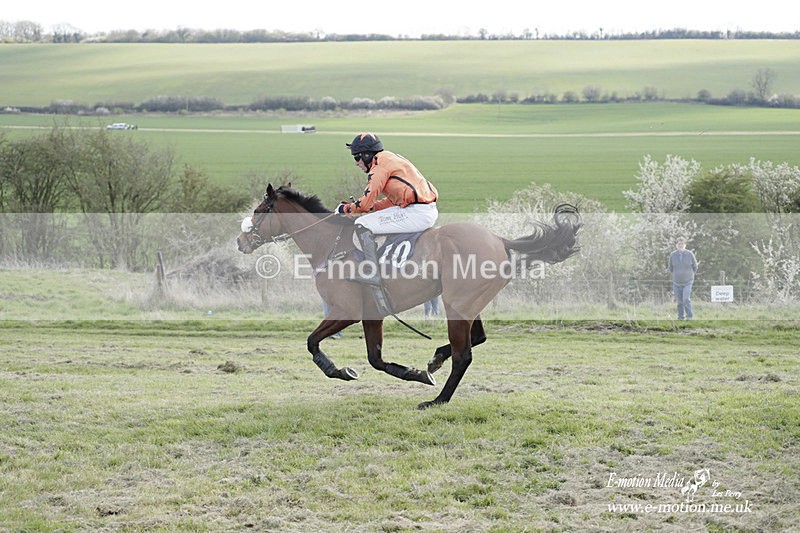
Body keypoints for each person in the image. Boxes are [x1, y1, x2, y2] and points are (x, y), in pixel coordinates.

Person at [336, 133, 439, 292]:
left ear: (366, 155)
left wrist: (345, 209)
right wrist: (372, 207)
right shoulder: (390, 158)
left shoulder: (379, 167)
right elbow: (394, 200)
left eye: (357, 158)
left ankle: (371, 272)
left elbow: (363, 204)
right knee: (369, 218)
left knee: (362, 223)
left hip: (417, 213)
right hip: (423, 209)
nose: (356, 164)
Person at [668, 237, 698, 320]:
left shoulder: (690, 254)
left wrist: (689, 275)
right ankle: (680, 317)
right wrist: (676, 275)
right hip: (676, 282)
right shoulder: (673, 255)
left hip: (688, 282)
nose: (680, 245)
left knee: (686, 299)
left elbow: (695, 266)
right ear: (676, 245)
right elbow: (670, 268)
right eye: (679, 244)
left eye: (682, 244)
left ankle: (689, 316)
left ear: (685, 245)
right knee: (679, 302)